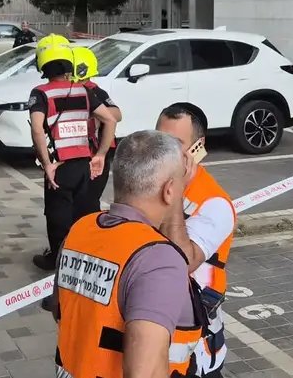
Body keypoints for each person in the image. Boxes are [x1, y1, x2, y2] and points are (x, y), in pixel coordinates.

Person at [54, 130, 209, 378]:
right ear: (169, 190)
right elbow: (144, 372)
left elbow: (60, 311)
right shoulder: (158, 260)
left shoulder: (80, 231)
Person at [157, 103, 236, 377]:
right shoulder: (152, 185)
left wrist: (176, 193)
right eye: (159, 140)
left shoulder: (215, 204)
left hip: (196, 354)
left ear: (197, 148)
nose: (163, 152)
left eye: (174, 144)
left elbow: (183, 261)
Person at [29, 43, 118, 273]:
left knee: (58, 219)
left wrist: (47, 165)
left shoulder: (40, 93)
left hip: (60, 167)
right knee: (85, 216)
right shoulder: (84, 91)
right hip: (85, 166)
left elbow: (37, 128)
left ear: (43, 66)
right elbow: (111, 119)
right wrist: (100, 155)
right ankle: (85, 265)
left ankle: (59, 266)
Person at [73, 45, 122, 212]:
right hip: (76, 155)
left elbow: (117, 114)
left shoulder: (95, 92)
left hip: (95, 155)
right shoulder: (65, 91)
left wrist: (96, 112)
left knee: (88, 203)